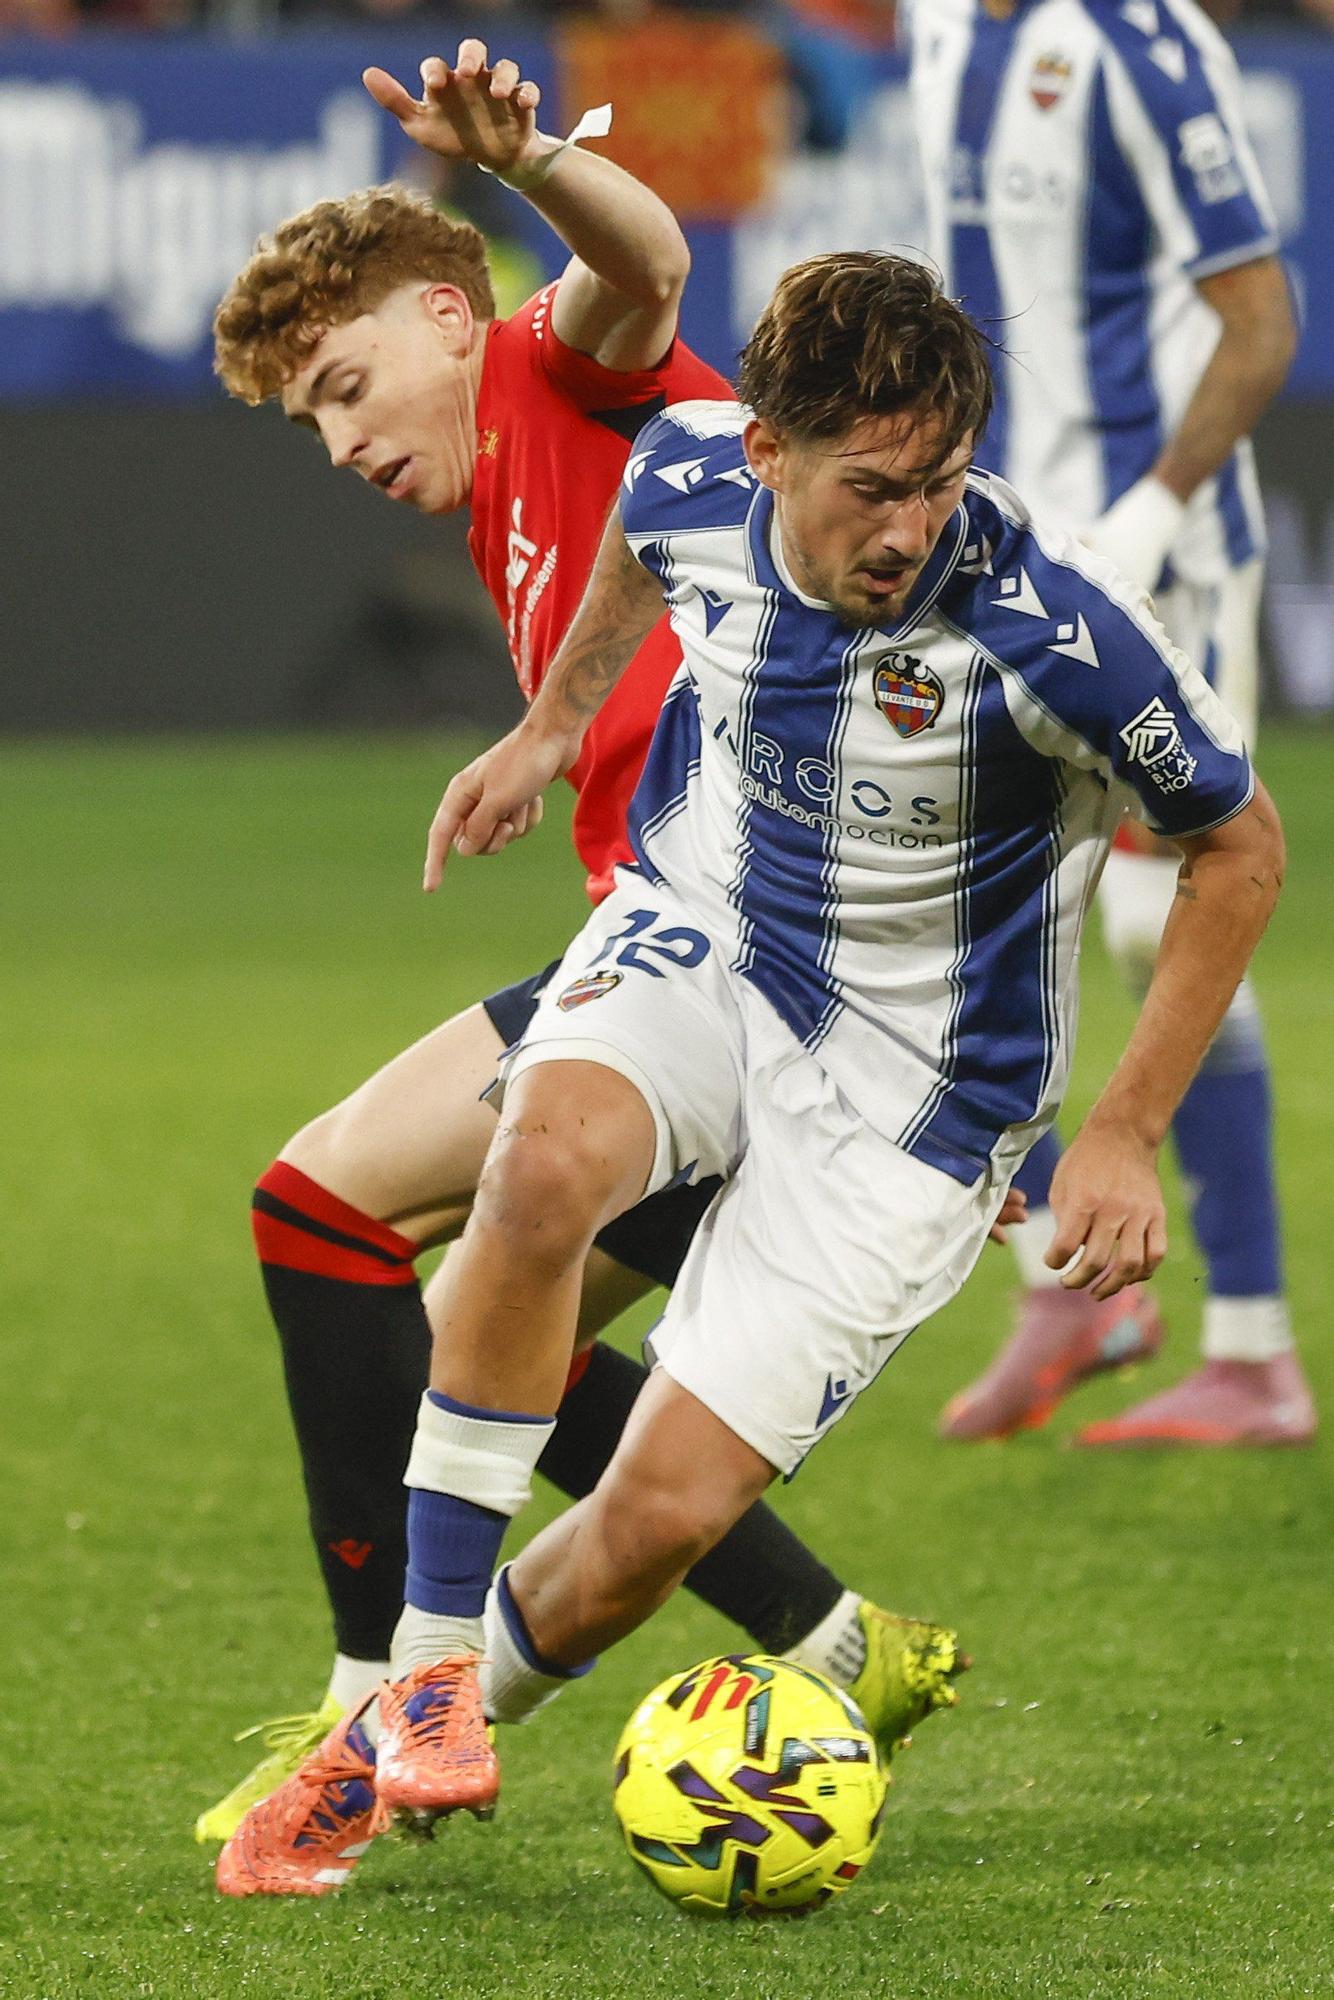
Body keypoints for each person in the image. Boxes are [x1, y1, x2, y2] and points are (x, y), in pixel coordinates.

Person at [216, 249, 1283, 1898]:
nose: (909, 529)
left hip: (915, 1104)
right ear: (769, 451)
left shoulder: (1055, 632)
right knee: (541, 1159)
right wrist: (551, 725)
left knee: (649, 1528)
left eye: (938, 482)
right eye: (871, 489)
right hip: (706, 936)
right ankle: (416, 1683)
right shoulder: (692, 466)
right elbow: (640, 546)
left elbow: (1239, 846)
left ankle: (384, 1761)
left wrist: (1124, 1133)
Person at [202, 45, 974, 1862]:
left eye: (345, 385)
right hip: (722, 960)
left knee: (323, 1211)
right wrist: (547, 733)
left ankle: (368, 1706)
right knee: (497, 1320)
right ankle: (838, 1644)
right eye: (309, 423)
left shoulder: (558, 363)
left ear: (449, 314)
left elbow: (644, 264)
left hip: (761, 958)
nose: (341, 442)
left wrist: (532, 157)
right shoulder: (507, 490)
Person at [904, 0, 1314, 1445]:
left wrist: (1148, 514)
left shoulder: (1137, 42)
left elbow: (1260, 322)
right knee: (934, 899)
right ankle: (1069, 1291)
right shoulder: (940, 24)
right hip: (994, 544)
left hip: (1154, 556)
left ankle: (1251, 1352)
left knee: (1149, 918)